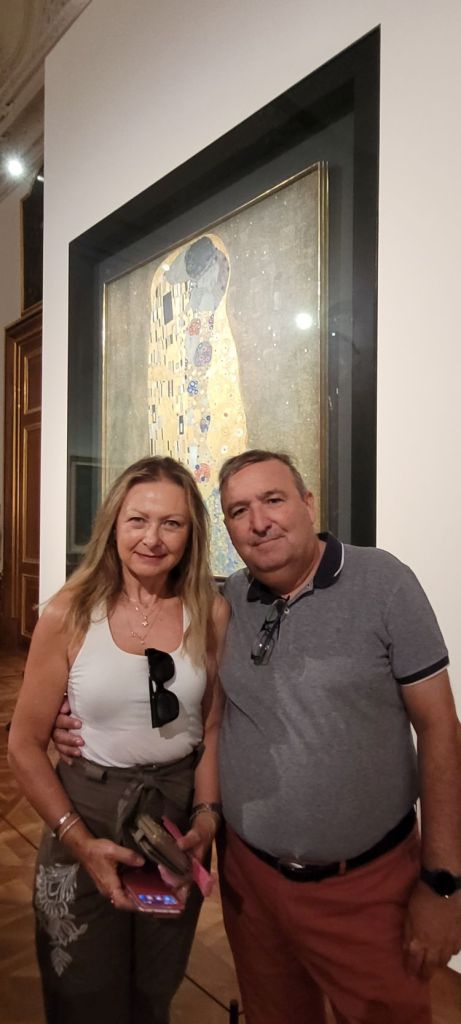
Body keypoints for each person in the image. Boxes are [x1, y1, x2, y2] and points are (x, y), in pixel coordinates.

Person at [52, 449, 461, 1024]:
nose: (259, 522)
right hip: (249, 884)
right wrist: (67, 714)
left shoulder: (383, 583)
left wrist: (443, 882)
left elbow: (441, 730)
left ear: (307, 503)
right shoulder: (226, 603)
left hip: (365, 887)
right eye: (239, 510)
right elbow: (197, 710)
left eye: (273, 500)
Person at [8, 455, 228, 1024]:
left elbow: (210, 728)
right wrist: (79, 840)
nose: (152, 538)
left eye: (171, 523)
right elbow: (24, 745)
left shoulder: (211, 613)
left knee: (155, 985)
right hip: (85, 811)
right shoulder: (69, 613)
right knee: (80, 990)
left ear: (191, 534)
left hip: (172, 821)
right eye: (138, 520)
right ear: (113, 524)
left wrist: (206, 818)